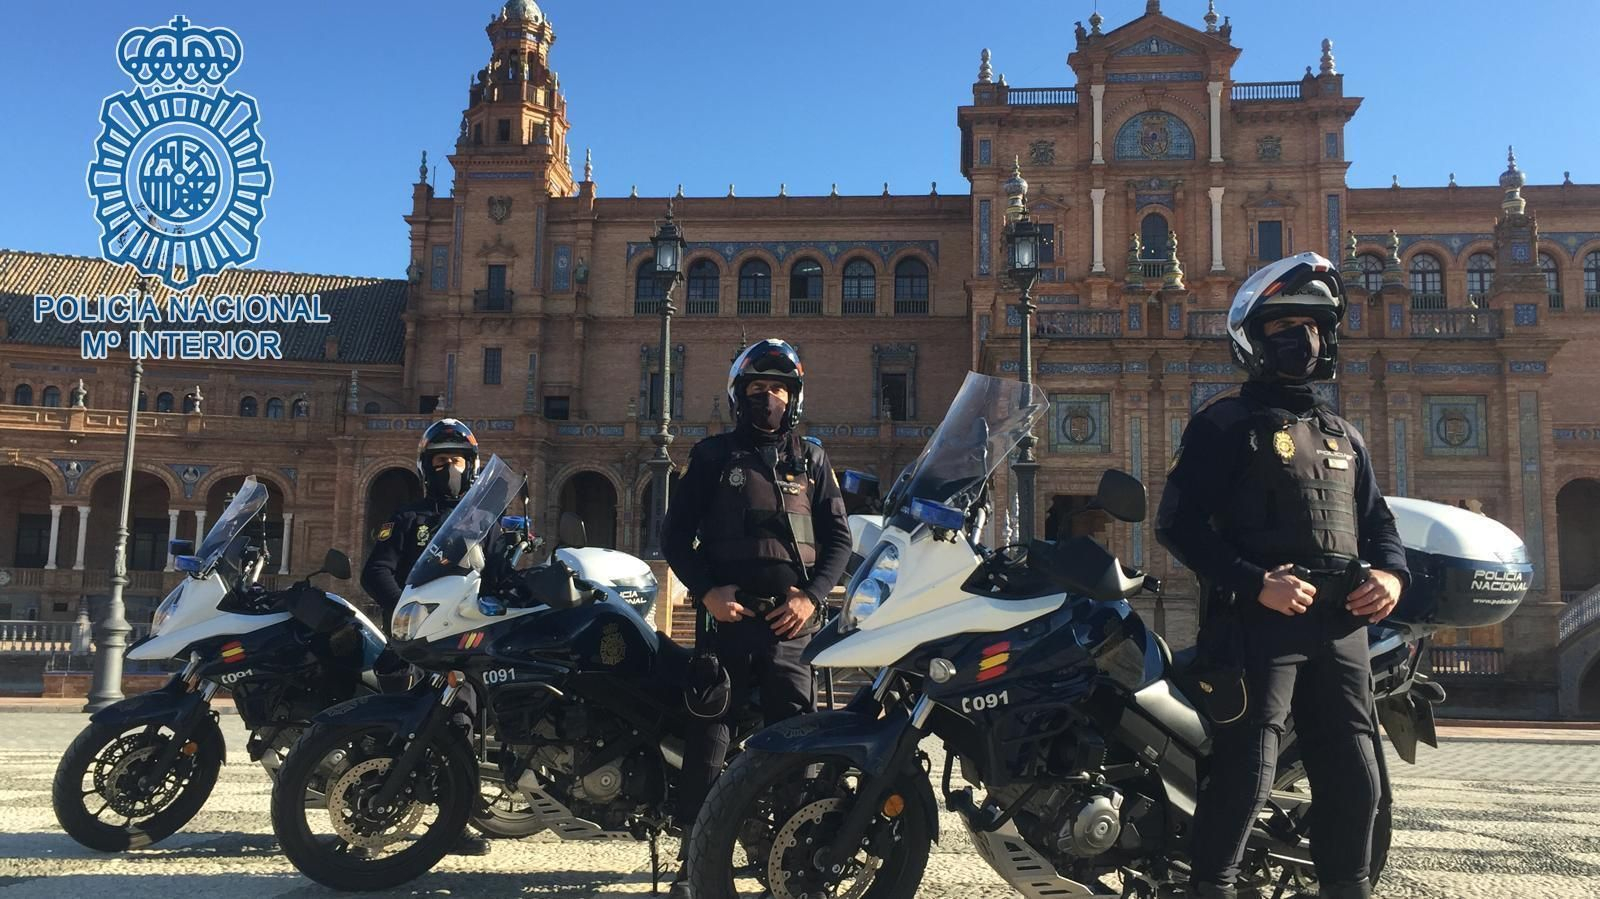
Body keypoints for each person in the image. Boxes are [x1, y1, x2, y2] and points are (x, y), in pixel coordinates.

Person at [1156, 252, 1409, 899]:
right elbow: (1178, 524)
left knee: (1359, 780)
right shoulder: (1225, 424)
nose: (1306, 339)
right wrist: (1252, 580)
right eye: (1288, 326)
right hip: (1256, 628)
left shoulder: (1343, 436)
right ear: (1255, 337)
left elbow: (1381, 529)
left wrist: (1391, 579)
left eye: (1316, 325)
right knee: (1246, 774)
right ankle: (1209, 887)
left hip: (1341, 629)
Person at [662, 339, 853, 896]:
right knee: (708, 745)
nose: (766, 399)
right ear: (737, 397)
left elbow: (839, 539)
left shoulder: (813, 458)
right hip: (728, 624)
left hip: (792, 629)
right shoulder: (713, 456)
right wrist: (706, 592)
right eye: (755, 389)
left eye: (777, 389)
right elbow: (675, 536)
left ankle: (791, 857)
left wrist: (813, 597)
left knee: (794, 744)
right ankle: (693, 860)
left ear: (793, 398)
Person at [359, 417, 495, 857]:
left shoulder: (482, 522)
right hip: (411, 643)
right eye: (441, 460)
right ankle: (367, 814)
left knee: (458, 729)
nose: (450, 467)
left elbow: (499, 577)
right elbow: (375, 571)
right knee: (387, 731)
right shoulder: (406, 517)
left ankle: (456, 820)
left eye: (457, 459)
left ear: (472, 466)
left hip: (462, 647)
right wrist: (407, 612)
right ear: (425, 466)